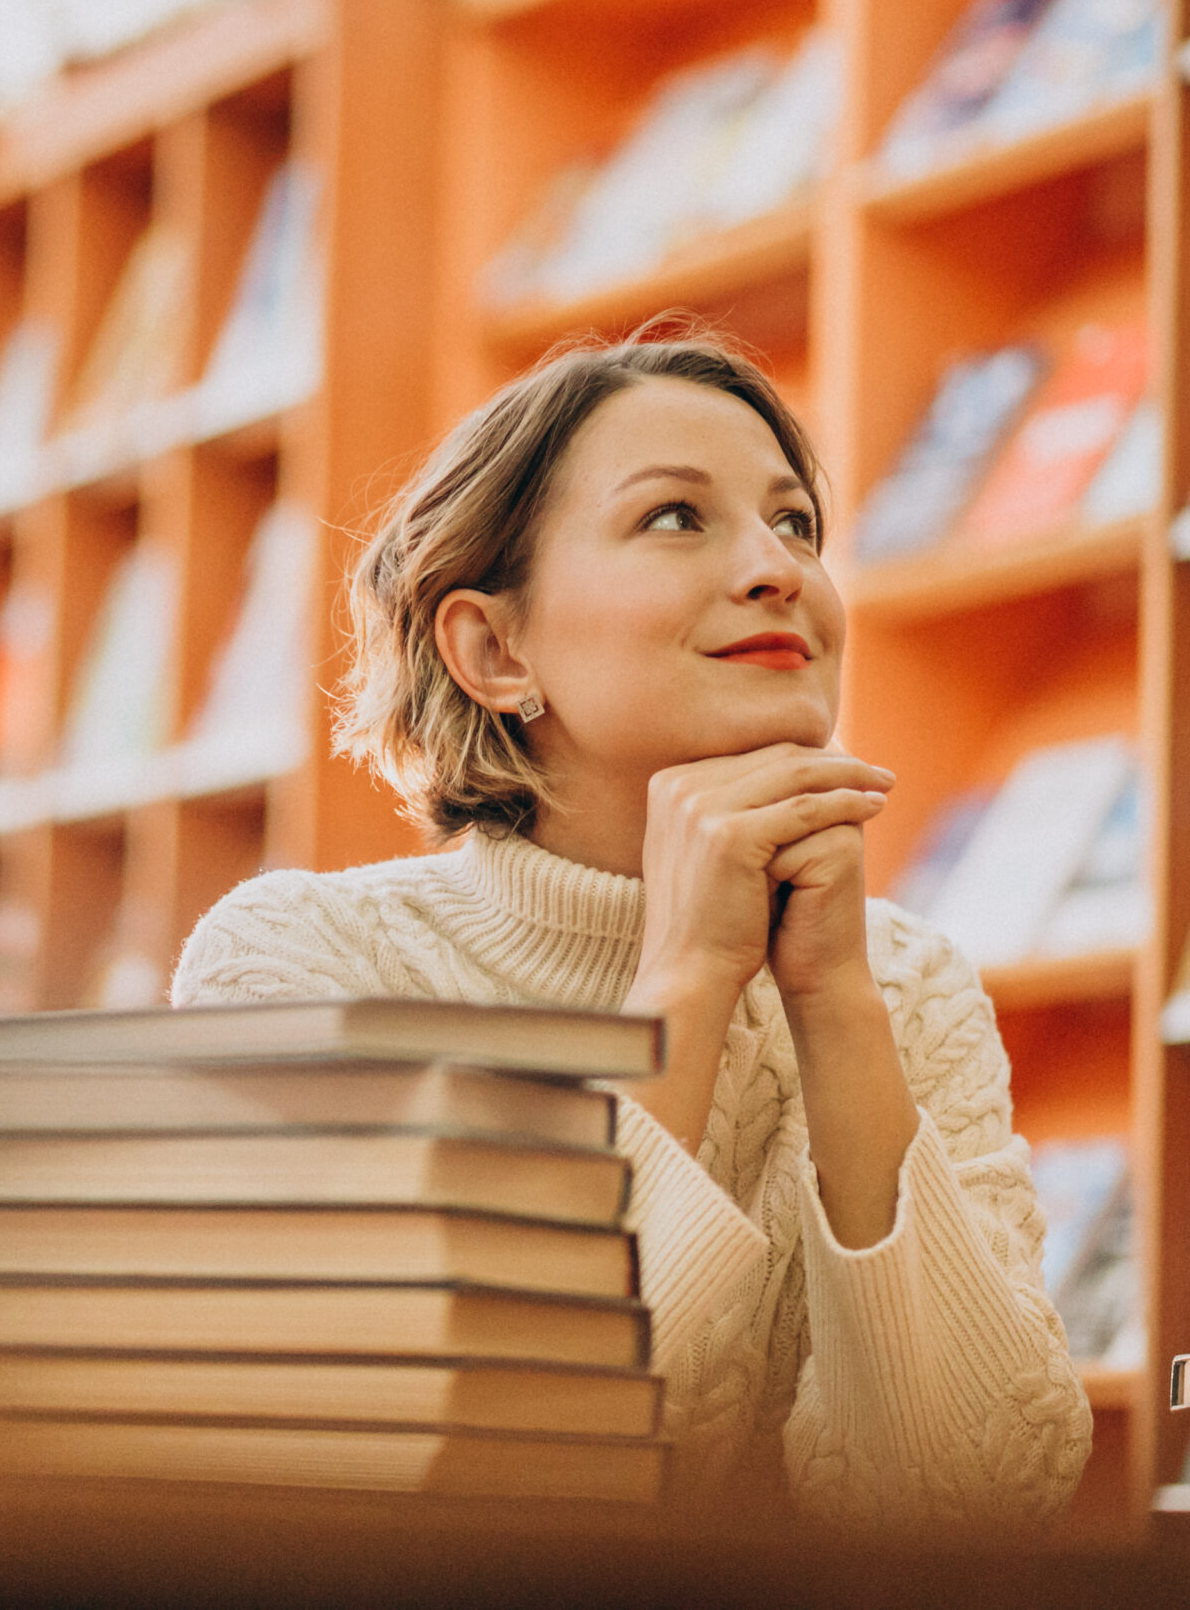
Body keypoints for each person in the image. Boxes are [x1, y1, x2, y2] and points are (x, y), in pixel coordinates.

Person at [170, 328, 1091, 1528]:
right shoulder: (300, 968)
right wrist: (686, 983)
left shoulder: (905, 987)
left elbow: (974, 1516)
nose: (777, 571)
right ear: (495, 649)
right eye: (674, 518)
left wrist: (836, 1009)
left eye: (796, 523)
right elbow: (446, 1482)